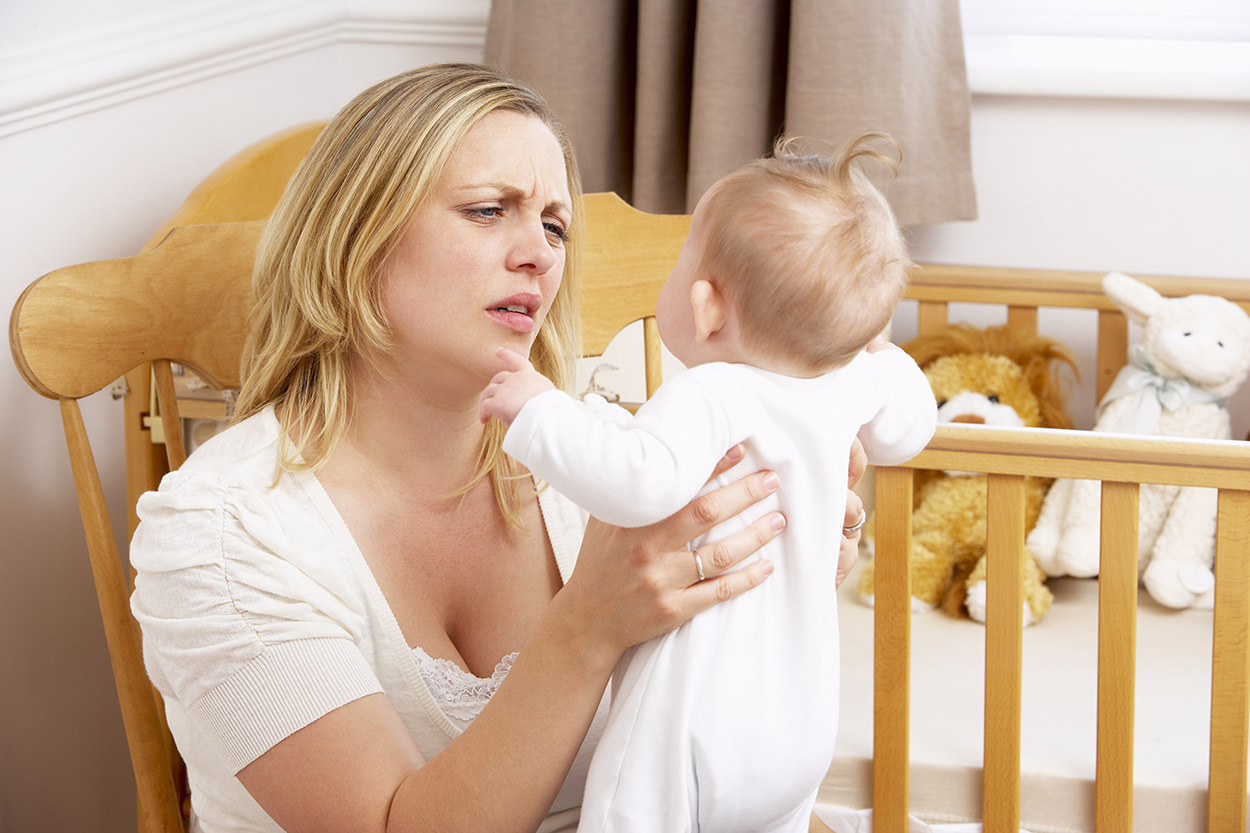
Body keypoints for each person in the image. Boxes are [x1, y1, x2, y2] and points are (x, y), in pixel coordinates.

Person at [127, 63, 867, 833]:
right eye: (488, 210)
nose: (540, 256)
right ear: (355, 236)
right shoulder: (220, 534)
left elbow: (713, 733)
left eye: (554, 225)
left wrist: (778, 567)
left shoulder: (600, 461)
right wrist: (588, 623)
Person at [478, 134, 937, 832]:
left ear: (706, 306)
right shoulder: (852, 382)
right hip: (800, 725)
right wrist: (878, 350)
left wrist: (538, 409)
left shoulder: (713, 393)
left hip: (698, 724)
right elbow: (909, 428)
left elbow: (637, 482)